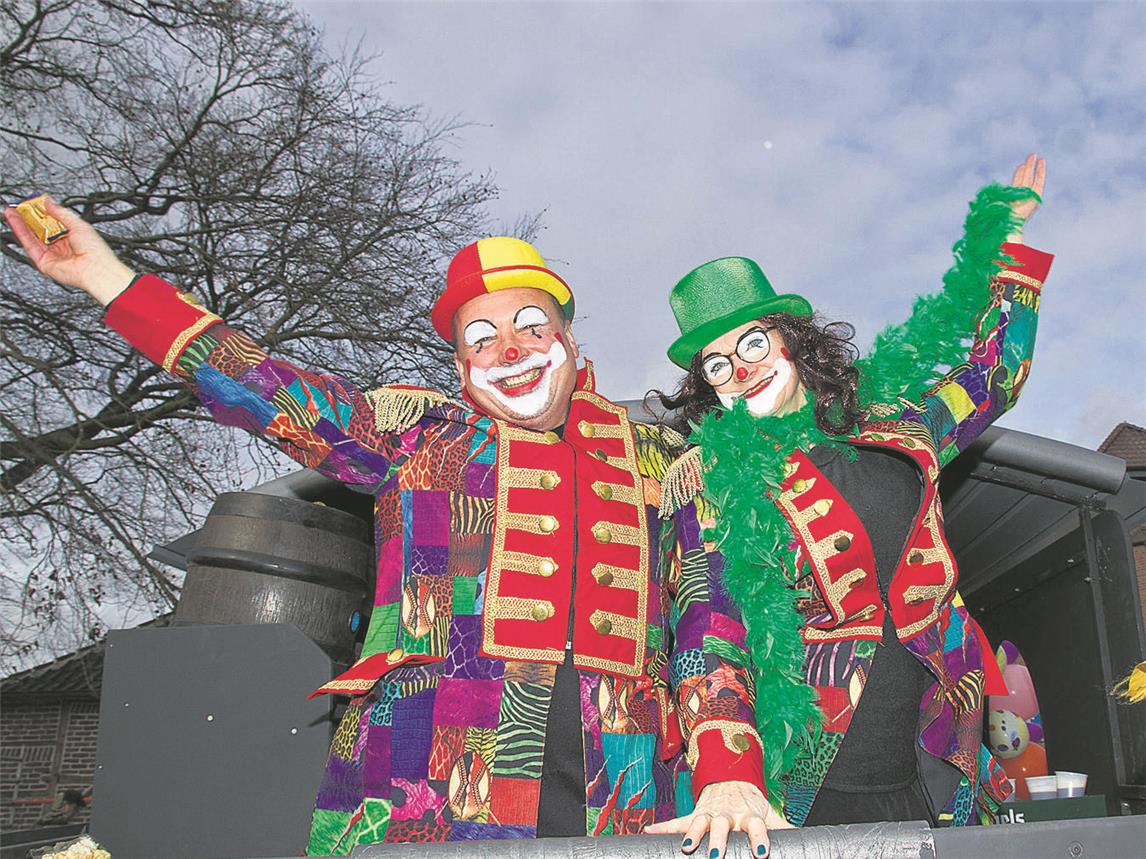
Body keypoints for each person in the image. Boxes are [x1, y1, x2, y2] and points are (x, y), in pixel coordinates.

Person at [4, 208, 785, 856]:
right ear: (458, 367)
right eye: (480, 340)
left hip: (623, 772)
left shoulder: (666, 457)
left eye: (528, 326)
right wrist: (109, 279)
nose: (507, 350)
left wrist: (726, 764)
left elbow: (707, 619)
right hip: (432, 765)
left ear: (570, 340)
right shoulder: (418, 433)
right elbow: (265, 386)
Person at [645, 156, 1052, 839]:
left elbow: (994, 377)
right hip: (810, 776)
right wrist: (726, 768)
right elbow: (708, 621)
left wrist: (1007, 250)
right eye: (718, 364)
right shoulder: (709, 478)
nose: (741, 367)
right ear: (708, 388)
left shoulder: (899, 420)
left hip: (938, 744)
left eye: (751, 342)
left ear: (793, 341)